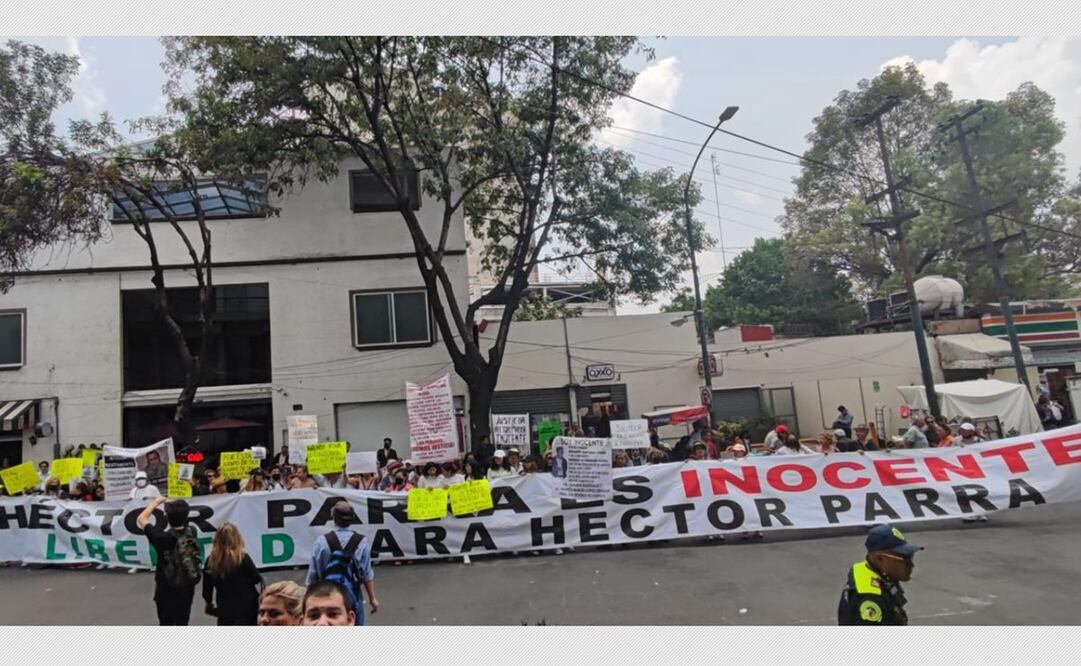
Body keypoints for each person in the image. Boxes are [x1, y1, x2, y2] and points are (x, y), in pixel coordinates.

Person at [305, 501, 379, 625]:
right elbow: (366, 574)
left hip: (325, 595)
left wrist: (307, 600)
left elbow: (313, 576)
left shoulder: (321, 542)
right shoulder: (362, 542)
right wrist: (372, 598)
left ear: (333, 517)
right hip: (352, 595)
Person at [838, 524, 923, 626]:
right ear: (880, 559)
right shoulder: (871, 598)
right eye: (905, 559)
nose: (912, 565)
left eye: (911, 557)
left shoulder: (866, 569)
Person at [137, 496, 201, 626]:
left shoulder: (160, 538)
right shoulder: (191, 532)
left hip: (165, 588)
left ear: (167, 518)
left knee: (166, 622)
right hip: (186, 587)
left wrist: (156, 502)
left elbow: (141, 518)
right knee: (182, 621)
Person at [202, 522, 263, 625]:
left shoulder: (211, 561)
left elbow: (207, 588)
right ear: (237, 538)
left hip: (225, 607)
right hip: (248, 606)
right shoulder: (243, 558)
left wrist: (208, 603)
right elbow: (256, 579)